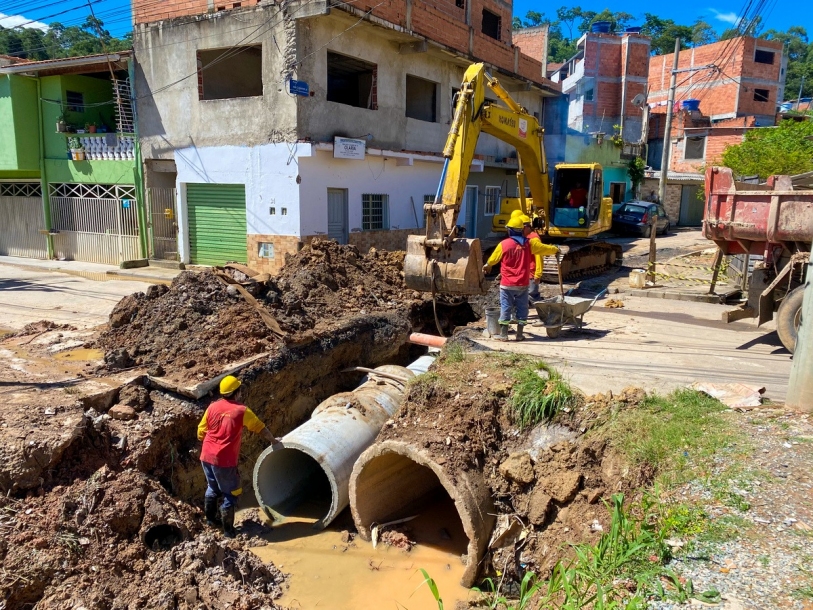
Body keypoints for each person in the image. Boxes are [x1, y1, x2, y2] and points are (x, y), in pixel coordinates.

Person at [198, 375, 277, 538]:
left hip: (206, 455)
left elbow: (201, 432)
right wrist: (274, 441)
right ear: (237, 392)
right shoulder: (242, 411)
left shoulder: (212, 407)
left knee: (212, 488)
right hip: (224, 461)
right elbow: (260, 428)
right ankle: (228, 532)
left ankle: (211, 521)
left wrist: (213, 442)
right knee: (231, 493)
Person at [483, 213, 559, 341]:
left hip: (507, 284)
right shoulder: (530, 244)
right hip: (523, 284)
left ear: (510, 230)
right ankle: (519, 334)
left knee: (506, 307)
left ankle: (504, 335)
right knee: (522, 308)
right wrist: (555, 249)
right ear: (522, 229)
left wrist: (487, 265)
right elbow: (544, 249)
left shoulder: (504, 244)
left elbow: (493, 259)